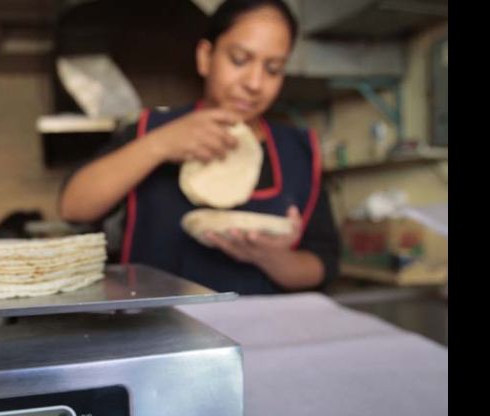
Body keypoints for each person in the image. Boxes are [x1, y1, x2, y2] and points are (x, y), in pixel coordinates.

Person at [58, 0, 339, 295]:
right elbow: (74, 206)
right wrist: (159, 146)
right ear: (206, 57)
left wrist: (272, 259)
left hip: (261, 333)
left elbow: (324, 262)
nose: (255, 83)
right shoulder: (151, 129)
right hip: (158, 329)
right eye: (240, 60)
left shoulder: (298, 151)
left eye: (273, 69)